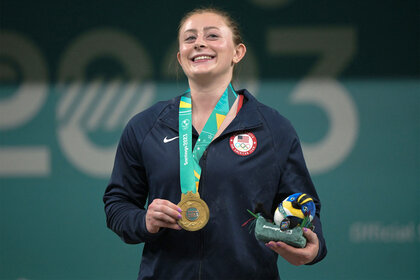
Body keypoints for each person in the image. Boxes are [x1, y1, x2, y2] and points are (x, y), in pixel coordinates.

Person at [103, 7, 327, 279]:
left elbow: (304, 203)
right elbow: (118, 203)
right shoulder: (145, 126)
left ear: (237, 52)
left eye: (212, 36)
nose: (199, 43)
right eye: (189, 38)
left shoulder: (274, 129)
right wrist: (144, 221)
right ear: (180, 57)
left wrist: (313, 247)